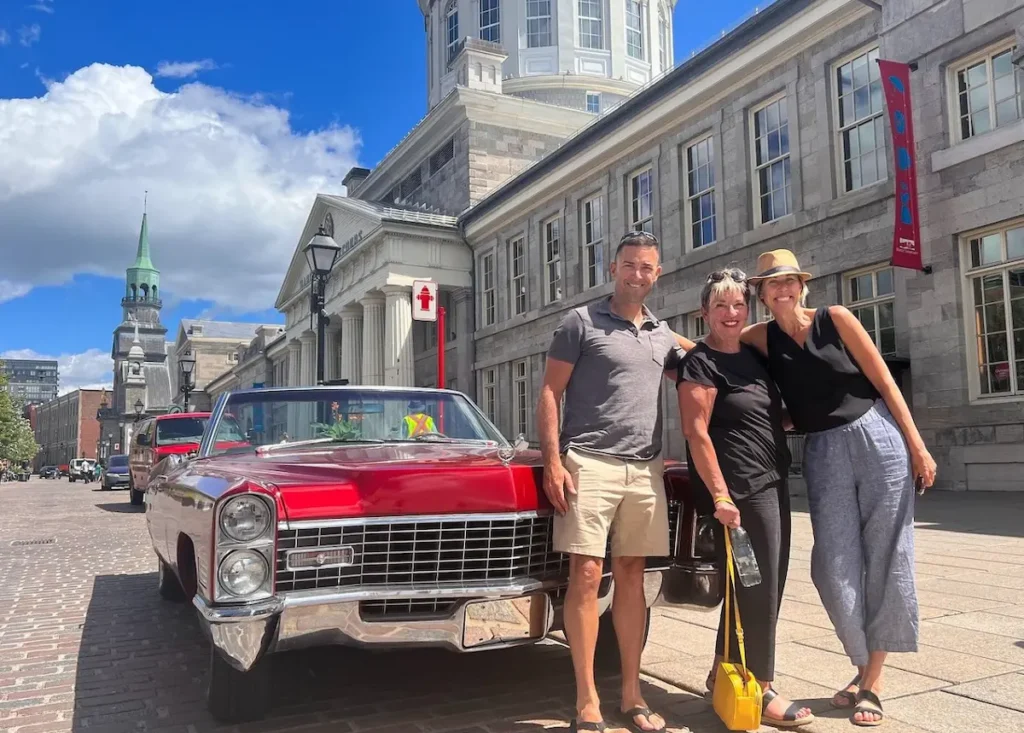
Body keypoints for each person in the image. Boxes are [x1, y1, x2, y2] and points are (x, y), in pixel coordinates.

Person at [741, 249, 937, 727]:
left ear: (801, 286)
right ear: (761, 294)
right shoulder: (757, 337)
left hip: (877, 437)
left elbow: (884, 381)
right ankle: (862, 665)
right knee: (832, 565)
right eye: (772, 283)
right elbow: (713, 348)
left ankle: (872, 681)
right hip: (823, 452)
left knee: (888, 554)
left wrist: (917, 446)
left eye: (789, 281)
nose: (782, 289)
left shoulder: (836, 319)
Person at [537, 230, 694, 733]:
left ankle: (631, 692)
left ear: (657, 274)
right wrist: (553, 461)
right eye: (629, 265)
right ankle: (586, 699)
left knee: (632, 576)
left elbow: (711, 362)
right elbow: (549, 392)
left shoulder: (662, 335)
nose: (637, 274)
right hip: (589, 463)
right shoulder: (580, 322)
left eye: (646, 267)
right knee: (586, 574)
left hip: (645, 469)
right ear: (613, 269)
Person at [677, 268, 814, 728]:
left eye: (738, 304)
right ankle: (762, 685)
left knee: (756, 583)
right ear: (705, 312)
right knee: (759, 587)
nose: (731, 313)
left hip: (771, 482)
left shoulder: (754, 357)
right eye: (721, 305)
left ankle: (725, 670)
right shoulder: (700, 363)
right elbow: (696, 434)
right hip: (739, 492)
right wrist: (720, 495)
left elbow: (769, 415)